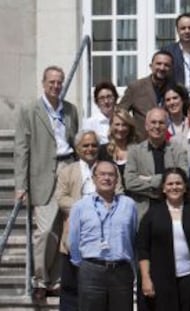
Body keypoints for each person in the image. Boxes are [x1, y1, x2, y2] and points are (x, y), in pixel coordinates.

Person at [14, 65, 79, 300]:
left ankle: (57, 280)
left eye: (59, 82)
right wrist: (21, 184)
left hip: (68, 167)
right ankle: (40, 279)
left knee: (65, 230)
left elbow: (75, 140)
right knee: (44, 231)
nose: (56, 86)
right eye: (51, 82)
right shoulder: (29, 110)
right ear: (43, 83)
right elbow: (21, 149)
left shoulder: (70, 110)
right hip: (43, 172)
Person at [137, 167, 190, 311]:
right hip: (160, 280)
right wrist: (146, 278)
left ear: (185, 187)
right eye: (170, 184)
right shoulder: (152, 215)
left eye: (178, 183)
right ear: (164, 188)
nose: (174, 187)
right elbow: (143, 249)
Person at [68, 161, 138, 311]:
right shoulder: (80, 207)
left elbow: (132, 238)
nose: (107, 178)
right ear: (93, 179)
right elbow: (74, 242)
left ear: (117, 179)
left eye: (111, 174)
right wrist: (85, 264)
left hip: (121, 270)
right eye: (102, 174)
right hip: (91, 270)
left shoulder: (129, 205)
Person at [56, 130, 100, 311]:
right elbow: (61, 199)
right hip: (74, 236)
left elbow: (118, 194)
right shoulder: (68, 171)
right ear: (77, 148)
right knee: (70, 288)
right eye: (86, 145)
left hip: (100, 239)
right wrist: (86, 207)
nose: (90, 149)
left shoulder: (106, 169)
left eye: (94, 145)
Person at [124, 107, 188, 216]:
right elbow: (130, 183)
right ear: (146, 126)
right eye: (153, 122)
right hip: (145, 212)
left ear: (167, 126)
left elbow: (183, 177)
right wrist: (163, 183)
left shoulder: (178, 151)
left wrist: (150, 179)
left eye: (161, 123)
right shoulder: (135, 151)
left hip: (174, 211)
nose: (157, 126)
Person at [119, 51, 174, 141]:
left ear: (171, 68)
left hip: (169, 145)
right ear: (151, 66)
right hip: (140, 143)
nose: (162, 68)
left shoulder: (176, 89)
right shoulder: (136, 87)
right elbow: (120, 113)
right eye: (158, 64)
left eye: (166, 65)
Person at [98, 107, 139, 186]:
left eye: (124, 125)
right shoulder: (102, 151)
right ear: (111, 126)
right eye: (117, 124)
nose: (120, 129)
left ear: (130, 127)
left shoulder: (137, 151)